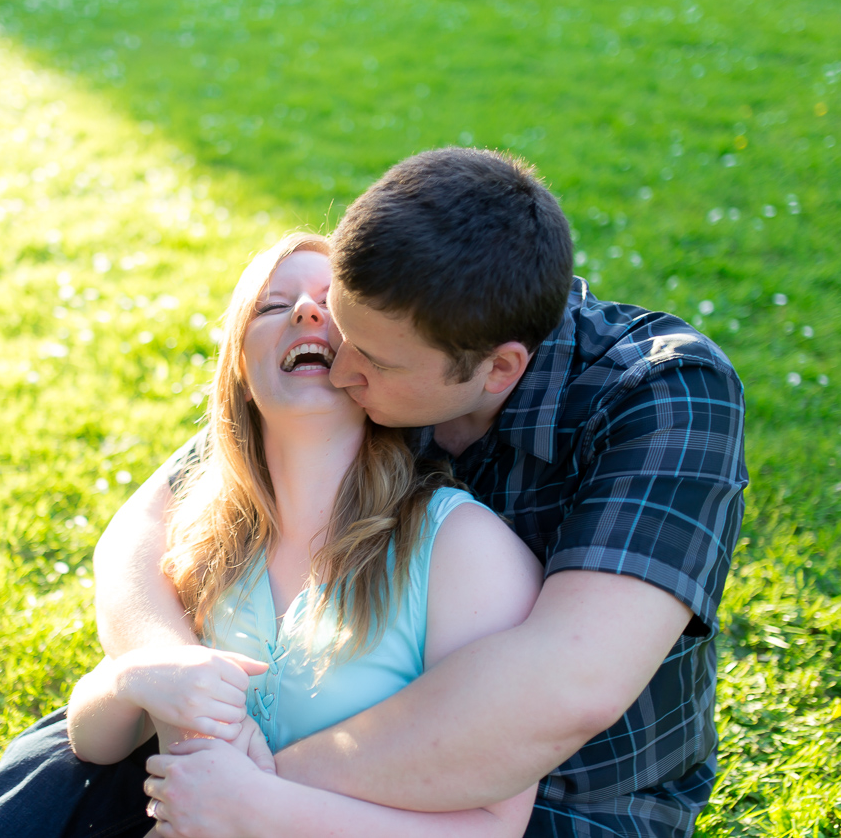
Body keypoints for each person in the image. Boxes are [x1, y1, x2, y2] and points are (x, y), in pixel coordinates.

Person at [0, 147, 747, 838]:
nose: (340, 362)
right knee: (69, 759)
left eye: (372, 361)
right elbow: (146, 523)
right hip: (298, 714)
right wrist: (164, 666)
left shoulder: (664, 396)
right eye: (336, 326)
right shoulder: (394, 324)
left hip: (567, 797)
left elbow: (561, 690)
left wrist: (256, 789)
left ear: (498, 369)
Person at [64, 234, 542, 836]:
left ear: (377, 357)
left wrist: (259, 808)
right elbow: (93, 743)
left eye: (332, 306)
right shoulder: (195, 536)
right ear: (239, 367)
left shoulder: (462, 547)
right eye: (272, 306)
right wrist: (133, 676)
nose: (306, 312)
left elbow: (495, 826)